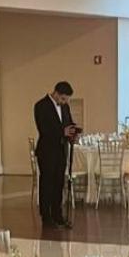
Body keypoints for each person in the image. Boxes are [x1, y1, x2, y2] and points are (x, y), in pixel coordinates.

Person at [33, 80, 81, 229]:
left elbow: (68, 123)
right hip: (47, 151)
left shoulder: (65, 107)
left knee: (59, 183)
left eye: (66, 100)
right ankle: (46, 216)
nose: (65, 102)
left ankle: (57, 214)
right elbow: (44, 129)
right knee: (47, 183)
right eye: (63, 99)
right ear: (57, 93)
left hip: (61, 150)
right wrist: (62, 132)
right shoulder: (41, 106)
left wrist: (73, 132)